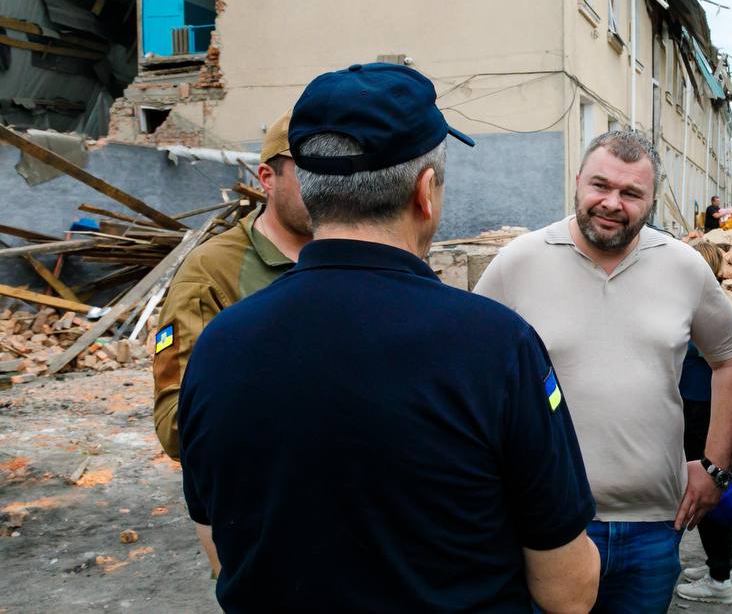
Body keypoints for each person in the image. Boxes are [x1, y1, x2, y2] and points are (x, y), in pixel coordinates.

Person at [179, 63, 599, 612]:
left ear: (308, 190)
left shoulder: (218, 346)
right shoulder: (497, 347)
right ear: (425, 192)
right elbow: (568, 589)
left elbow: (220, 550)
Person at [476, 129, 732, 614]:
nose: (611, 203)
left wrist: (716, 467)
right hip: (546, 527)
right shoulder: (518, 262)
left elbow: (731, 359)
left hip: (654, 529)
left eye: (630, 193)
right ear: (578, 181)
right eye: (600, 185)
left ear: (651, 201)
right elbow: (473, 373)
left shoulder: (683, 267)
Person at [152, 110, 311, 574]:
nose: (327, 184)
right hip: (266, 517)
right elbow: (175, 423)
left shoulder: (355, 252)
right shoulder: (210, 272)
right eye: (309, 171)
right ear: (267, 178)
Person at [675, 240, 732, 605]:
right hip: (706, 407)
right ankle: (724, 568)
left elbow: (709, 351)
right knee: (719, 487)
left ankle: (719, 578)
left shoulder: (707, 306)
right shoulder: (722, 301)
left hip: (702, 411)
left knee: (707, 489)